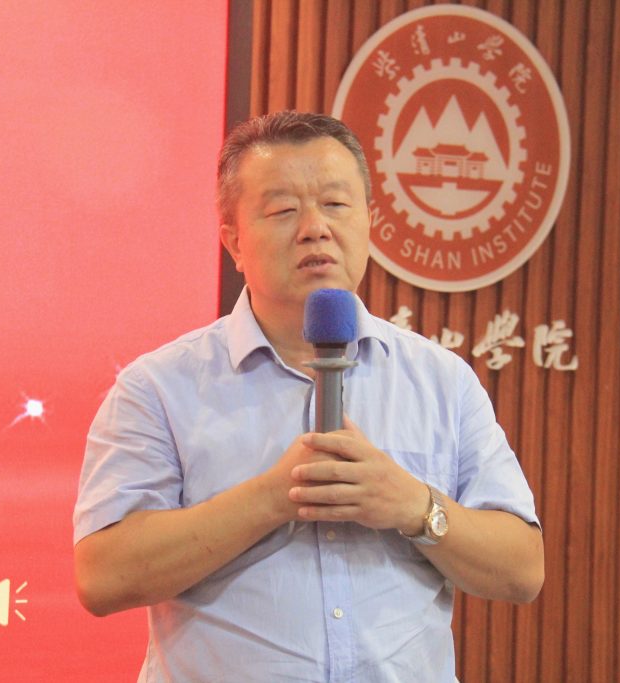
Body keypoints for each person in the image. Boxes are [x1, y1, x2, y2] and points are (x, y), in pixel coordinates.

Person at [73, 111, 543, 682]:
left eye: (336, 204)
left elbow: (522, 571)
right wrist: (274, 497)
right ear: (233, 240)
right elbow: (104, 577)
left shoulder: (442, 381)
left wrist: (414, 507)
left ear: (369, 222)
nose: (315, 228)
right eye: (283, 211)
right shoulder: (159, 388)